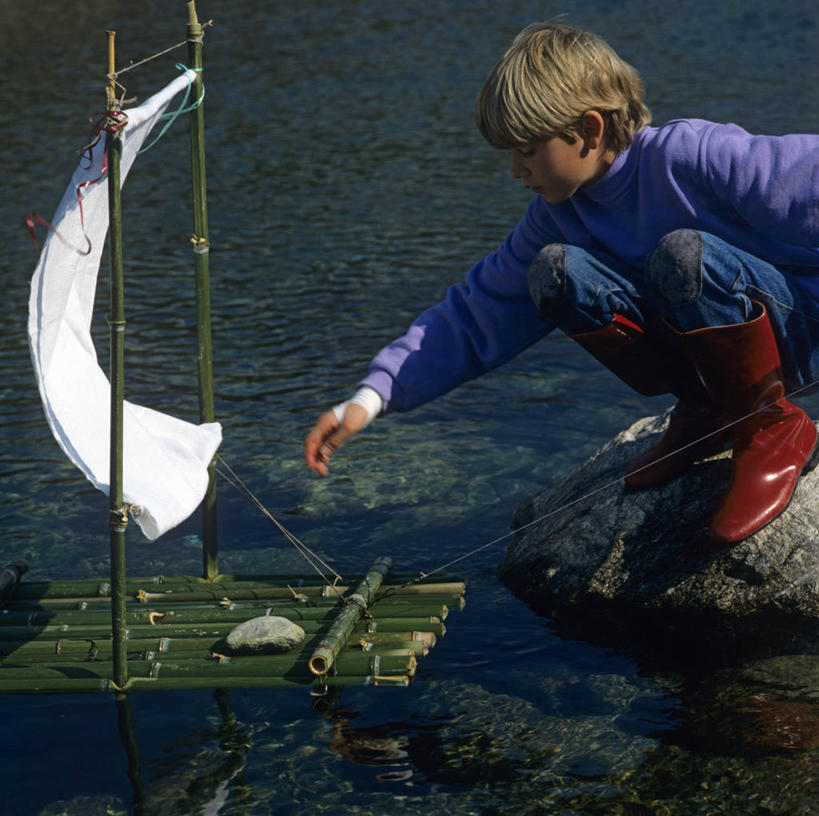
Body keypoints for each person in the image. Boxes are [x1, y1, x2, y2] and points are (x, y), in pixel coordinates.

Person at [304, 22, 819, 546]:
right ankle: (708, 407)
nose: (513, 170)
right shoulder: (557, 215)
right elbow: (477, 312)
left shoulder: (692, 157)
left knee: (683, 254)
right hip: (723, 360)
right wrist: (368, 399)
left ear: (589, 131)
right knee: (556, 271)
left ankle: (770, 424)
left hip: (801, 334)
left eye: (526, 150)